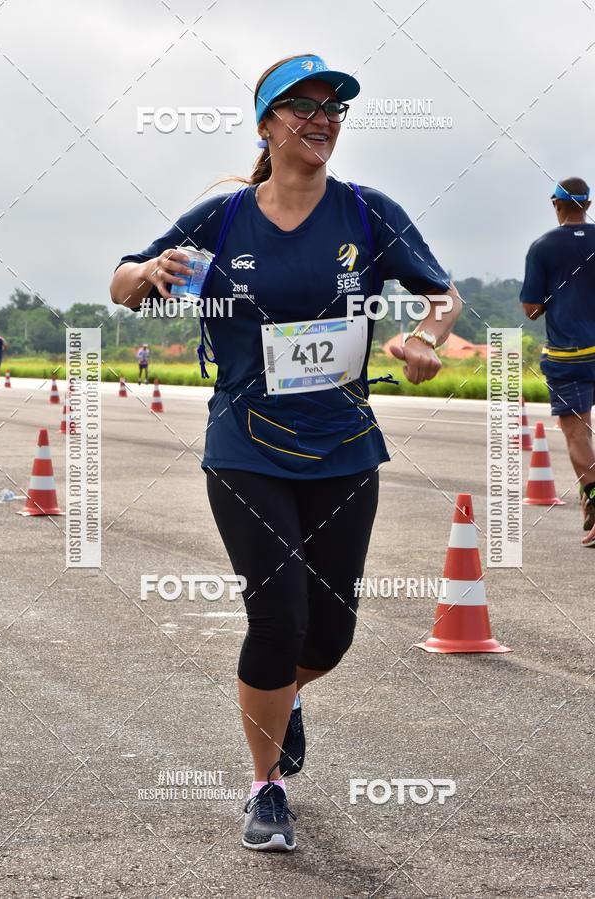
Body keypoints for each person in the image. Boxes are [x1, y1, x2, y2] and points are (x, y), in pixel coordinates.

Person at [111, 53, 462, 852]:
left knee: (329, 634)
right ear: (267, 123)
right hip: (245, 447)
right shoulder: (223, 217)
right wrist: (146, 272)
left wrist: (426, 338)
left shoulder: (370, 213)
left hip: (343, 446)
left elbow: (443, 297)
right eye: (302, 106)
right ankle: (266, 786)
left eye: (334, 106)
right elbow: (121, 282)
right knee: (278, 618)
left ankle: (284, 698)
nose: (322, 118)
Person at [521, 177, 595, 548]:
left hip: (569, 357)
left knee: (578, 433)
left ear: (556, 204)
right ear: (589, 204)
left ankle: (594, 501)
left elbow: (532, 309)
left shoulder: (543, 247)